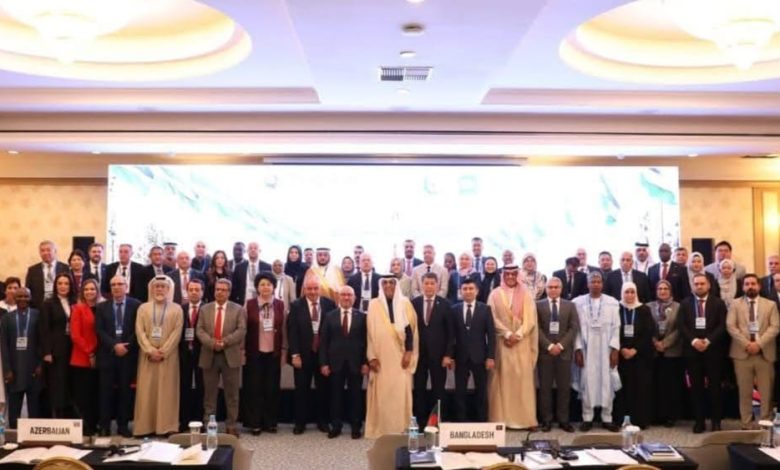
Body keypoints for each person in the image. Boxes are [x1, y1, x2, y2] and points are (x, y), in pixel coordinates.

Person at [365, 276, 418, 438]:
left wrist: (409, 352)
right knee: (382, 395)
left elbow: (411, 331)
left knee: (399, 394)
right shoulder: (374, 304)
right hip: (381, 358)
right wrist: (372, 357)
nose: (388, 285)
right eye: (385, 283)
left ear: (397, 285)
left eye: (392, 283)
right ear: (381, 286)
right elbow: (369, 333)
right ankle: (382, 429)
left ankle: (401, 427)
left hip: (400, 357)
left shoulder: (405, 303)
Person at [726, 275, 780, 429]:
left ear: (759, 286)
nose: (750, 286)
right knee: (745, 391)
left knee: (766, 392)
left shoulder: (770, 305)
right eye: (747, 284)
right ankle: (746, 423)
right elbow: (731, 326)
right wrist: (747, 344)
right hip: (742, 354)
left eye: (753, 284)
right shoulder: (735, 304)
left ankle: (765, 422)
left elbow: (775, 327)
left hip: (764, 353)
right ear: (743, 287)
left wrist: (759, 344)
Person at [488, 265, 537, 428]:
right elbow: (492, 318)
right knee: (503, 381)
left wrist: (518, 335)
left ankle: (525, 420)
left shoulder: (526, 294)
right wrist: (508, 334)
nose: (510, 277)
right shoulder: (495, 294)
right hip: (503, 343)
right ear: (503, 276)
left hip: (522, 343)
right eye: (507, 274)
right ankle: (503, 420)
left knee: (522, 382)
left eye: (513, 274)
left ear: (517, 275)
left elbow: (530, 319)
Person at [678, 273, 728, 433]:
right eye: (696, 284)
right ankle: (699, 421)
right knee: (696, 389)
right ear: (693, 286)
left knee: (715, 388)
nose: (699, 286)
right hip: (692, 352)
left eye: (702, 283)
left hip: (713, 351)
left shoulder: (718, 303)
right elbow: (682, 326)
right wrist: (694, 341)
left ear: (708, 285)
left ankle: (716, 422)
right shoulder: (685, 303)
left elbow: (722, 325)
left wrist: (707, 341)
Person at [133, 275, 182, 437]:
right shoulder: (143, 308)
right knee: (146, 392)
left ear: (169, 289)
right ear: (151, 289)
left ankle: (166, 426)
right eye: (157, 286)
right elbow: (139, 331)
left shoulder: (177, 309)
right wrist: (150, 350)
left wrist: (163, 352)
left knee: (167, 392)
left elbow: (176, 333)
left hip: (168, 358)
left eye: (163, 286)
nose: (160, 289)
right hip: (147, 357)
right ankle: (144, 427)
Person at [197, 278, 246, 437]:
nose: (220, 292)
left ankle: (231, 425)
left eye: (224, 290)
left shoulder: (238, 309)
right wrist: (212, 343)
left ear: (229, 292)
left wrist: (225, 342)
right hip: (209, 355)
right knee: (209, 394)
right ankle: (208, 424)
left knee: (232, 394)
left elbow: (241, 330)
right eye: (218, 289)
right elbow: (199, 330)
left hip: (230, 355)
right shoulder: (205, 309)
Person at [288, 276, 336, 434]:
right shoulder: (296, 305)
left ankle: (323, 421)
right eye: (309, 289)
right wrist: (295, 355)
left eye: (315, 288)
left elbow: (332, 332)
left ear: (320, 289)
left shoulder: (329, 304)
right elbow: (292, 332)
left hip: (323, 356)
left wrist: (329, 358)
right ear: (304, 289)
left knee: (323, 390)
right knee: (301, 390)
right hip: (302, 355)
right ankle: (300, 423)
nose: (313, 292)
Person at [573, 272, 621, 432]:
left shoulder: (612, 302)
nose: (595, 284)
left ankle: (607, 418)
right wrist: (578, 349)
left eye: (598, 281)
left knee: (607, 382)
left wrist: (615, 349)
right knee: (587, 381)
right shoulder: (578, 302)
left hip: (606, 348)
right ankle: (587, 418)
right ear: (587, 284)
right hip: (587, 349)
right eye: (592, 281)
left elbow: (616, 327)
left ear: (602, 284)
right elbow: (576, 329)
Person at [320, 286, 368, 439]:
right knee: (336, 396)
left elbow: (367, 342)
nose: (346, 298)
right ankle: (336, 426)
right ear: (338, 297)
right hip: (335, 363)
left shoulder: (362, 317)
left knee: (356, 396)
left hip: (356, 363)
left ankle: (356, 426)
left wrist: (365, 362)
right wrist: (324, 363)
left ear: (354, 298)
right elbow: (324, 342)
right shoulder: (329, 316)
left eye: (349, 295)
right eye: (343, 295)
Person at [95, 275, 140, 437]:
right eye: (113, 284)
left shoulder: (136, 305)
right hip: (108, 355)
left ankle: (123, 426)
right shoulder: (101, 307)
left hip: (128, 355)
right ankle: (105, 426)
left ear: (126, 286)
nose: (116, 287)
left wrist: (126, 346)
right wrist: (114, 345)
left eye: (120, 284)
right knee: (105, 392)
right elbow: (99, 330)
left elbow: (138, 329)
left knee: (125, 392)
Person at [243, 273, 285, 435]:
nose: (265, 287)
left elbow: (284, 330)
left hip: (273, 353)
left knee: (272, 388)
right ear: (257, 288)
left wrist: (284, 351)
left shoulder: (281, 305)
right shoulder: (249, 305)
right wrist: (242, 351)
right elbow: (243, 330)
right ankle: (255, 423)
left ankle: (270, 422)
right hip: (254, 352)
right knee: (254, 388)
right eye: (262, 284)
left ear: (274, 287)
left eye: (268, 284)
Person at [536, 277, 579, 433]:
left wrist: (560, 346)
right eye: (550, 287)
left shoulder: (570, 305)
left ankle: (563, 420)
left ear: (561, 289)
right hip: (545, 353)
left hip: (564, 353)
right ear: (546, 288)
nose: (553, 289)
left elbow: (573, 328)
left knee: (564, 389)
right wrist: (549, 346)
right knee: (545, 389)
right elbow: (536, 328)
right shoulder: (538, 305)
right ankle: (546, 420)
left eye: (556, 287)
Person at [451, 278, 495, 422]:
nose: (468, 291)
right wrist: (450, 356)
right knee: (460, 391)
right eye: (465, 289)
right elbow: (451, 335)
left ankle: (482, 419)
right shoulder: (454, 309)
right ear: (460, 291)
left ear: (477, 291)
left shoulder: (485, 309)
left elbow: (491, 335)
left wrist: (491, 357)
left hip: (480, 356)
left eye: (471, 289)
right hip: (460, 357)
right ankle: (461, 420)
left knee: (481, 390)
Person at [411, 273, 452, 427]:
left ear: (437, 285)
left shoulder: (445, 304)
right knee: (419, 388)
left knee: (438, 389)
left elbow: (451, 333)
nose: (429, 286)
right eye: (426, 283)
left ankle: (437, 421)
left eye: (432, 283)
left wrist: (448, 354)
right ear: (422, 285)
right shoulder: (414, 303)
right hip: (419, 354)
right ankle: (421, 421)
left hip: (439, 355)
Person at [612, 282, 654, 429]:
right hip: (621, 356)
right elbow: (613, 330)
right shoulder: (616, 309)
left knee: (639, 388)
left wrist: (635, 349)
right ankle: (619, 419)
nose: (629, 295)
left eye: (632, 292)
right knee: (620, 388)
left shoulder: (644, 309)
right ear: (622, 293)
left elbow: (648, 332)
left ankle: (639, 419)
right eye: (626, 292)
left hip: (640, 356)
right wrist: (622, 348)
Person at [1, 288, 41, 428]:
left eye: (26, 296)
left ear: (30, 298)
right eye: (19, 296)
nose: (23, 299)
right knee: (14, 407)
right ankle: (14, 432)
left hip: (33, 368)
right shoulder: (7, 318)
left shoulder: (37, 315)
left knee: (34, 406)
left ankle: (34, 434)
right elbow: (4, 345)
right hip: (15, 369)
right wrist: (7, 369)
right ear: (14, 298)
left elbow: (42, 342)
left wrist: (40, 365)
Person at [647, 280, 683, 427]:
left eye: (665, 289)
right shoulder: (648, 307)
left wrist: (665, 344)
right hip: (654, 352)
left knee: (670, 385)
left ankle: (670, 416)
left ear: (670, 291)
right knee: (655, 385)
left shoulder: (678, 307)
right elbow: (646, 327)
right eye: (660, 289)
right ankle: (656, 415)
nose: (662, 291)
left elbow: (680, 328)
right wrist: (655, 342)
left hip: (672, 352)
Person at [40, 272, 76, 418]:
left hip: (73, 347)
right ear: (55, 285)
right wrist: (47, 352)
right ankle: (59, 416)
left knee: (70, 382)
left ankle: (71, 416)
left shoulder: (75, 302)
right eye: (60, 283)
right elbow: (44, 329)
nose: (63, 286)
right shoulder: (48, 303)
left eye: (66, 283)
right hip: (56, 350)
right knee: (58, 384)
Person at [70, 278, 101, 436]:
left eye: (92, 289)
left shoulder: (102, 307)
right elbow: (75, 335)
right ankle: (85, 427)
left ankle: (95, 425)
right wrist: (90, 352)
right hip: (82, 358)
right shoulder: (77, 308)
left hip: (100, 358)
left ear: (97, 291)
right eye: (86, 289)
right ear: (82, 292)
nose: (89, 292)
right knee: (83, 396)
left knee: (96, 394)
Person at [179, 279, 205, 433]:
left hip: (202, 353)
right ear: (187, 292)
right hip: (184, 353)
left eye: (197, 289)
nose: (194, 292)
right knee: (184, 387)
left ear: (202, 292)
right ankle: (184, 421)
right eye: (191, 289)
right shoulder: (180, 309)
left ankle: (200, 421)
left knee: (201, 387)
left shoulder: (207, 309)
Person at [25, 240, 69, 310]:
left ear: (55, 251)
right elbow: (28, 291)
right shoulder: (32, 270)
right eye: (42, 251)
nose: (45, 253)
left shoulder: (65, 268)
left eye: (48, 250)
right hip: (38, 308)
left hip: (61, 307)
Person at [231, 242, 272, 306]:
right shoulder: (239, 267)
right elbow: (235, 288)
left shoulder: (267, 267)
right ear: (247, 251)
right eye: (250, 248)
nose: (253, 250)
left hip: (262, 303)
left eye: (255, 248)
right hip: (243, 303)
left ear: (259, 251)